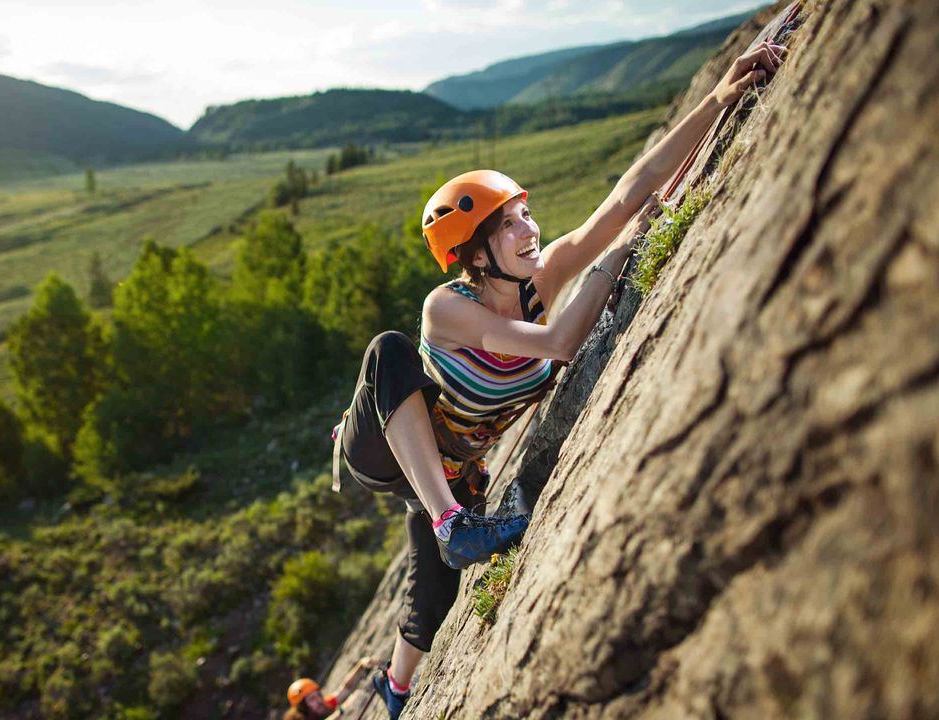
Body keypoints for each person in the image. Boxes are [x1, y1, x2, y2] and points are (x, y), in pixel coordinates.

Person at [330, 40, 786, 719]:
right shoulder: (449, 307)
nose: (530, 231)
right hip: (380, 447)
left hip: (444, 464)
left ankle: (391, 690)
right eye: (507, 226)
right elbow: (558, 344)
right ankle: (452, 520)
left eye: (524, 215)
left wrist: (718, 98)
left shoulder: (541, 280)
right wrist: (614, 265)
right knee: (388, 350)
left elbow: (629, 194)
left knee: (432, 599)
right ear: (474, 257)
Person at [284, 657, 379, 720]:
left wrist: (360, 666)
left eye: (318, 695)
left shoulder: (322, 705)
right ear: (302, 707)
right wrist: (342, 710)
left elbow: (345, 688)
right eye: (312, 699)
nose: (318, 700)